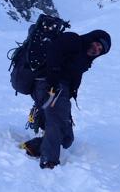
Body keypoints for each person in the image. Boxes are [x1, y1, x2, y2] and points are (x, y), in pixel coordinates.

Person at [22, 28, 111, 168]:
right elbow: (54, 51)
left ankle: (33, 146)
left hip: (60, 92)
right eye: (96, 44)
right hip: (48, 85)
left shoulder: (85, 60)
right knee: (56, 122)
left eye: (100, 49)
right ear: (91, 38)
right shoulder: (74, 40)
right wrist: (53, 78)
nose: (96, 49)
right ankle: (48, 160)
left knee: (67, 139)